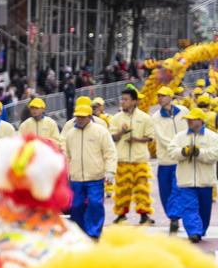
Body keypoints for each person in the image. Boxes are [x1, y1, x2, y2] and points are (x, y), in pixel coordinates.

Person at [62, 97, 117, 240]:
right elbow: (67, 155)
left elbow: (110, 152)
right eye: (77, 117)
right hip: (76, 179)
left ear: (89, 117)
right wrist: (67, 173)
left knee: (95, 204)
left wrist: (110, 171)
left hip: (95, 177)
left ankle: (94, 233)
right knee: (76, 206)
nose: (79, 120)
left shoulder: (100, 131)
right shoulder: (70, 134)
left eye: (82, 117)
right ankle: (79, 233)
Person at [162, 107, 218, 243]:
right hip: (185, 181)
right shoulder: (180, 137)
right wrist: (184, 152)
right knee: (189, 207)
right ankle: (193, 232)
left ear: (200, 120)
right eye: (188, 120)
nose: (189, 122)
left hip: (205, 181)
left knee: (204, 211)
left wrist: (199, 153)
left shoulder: (212, 137)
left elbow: (214, 155)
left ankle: (200, 230)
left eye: (192, 120)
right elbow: (171, 151)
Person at [109, 87, 155, 225]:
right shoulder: (116, 118)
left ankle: (144, 215)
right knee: (122, 189)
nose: (123, 102)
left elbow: (150, 137)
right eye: (122, 99)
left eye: (126, 99)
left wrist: (136, 139)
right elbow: (112, 138)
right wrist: (122, 132)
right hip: (122, 160)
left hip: (139, 159)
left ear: (134, 101)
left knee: (142, 189)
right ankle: (121, 214)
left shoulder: (145, 117)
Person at [152, 87, 187, 233]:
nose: (160, 98)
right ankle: (172, 215)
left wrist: (184, 148)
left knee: (176, 190)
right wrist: (177, 147)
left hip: (181, 161)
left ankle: (174, 217)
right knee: (165, 191)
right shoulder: (156, 117)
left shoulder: (183, 111)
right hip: (165, 160)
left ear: (170, 97)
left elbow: (188, 129)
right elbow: (161, 137)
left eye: (163, 96)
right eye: (158, 96)